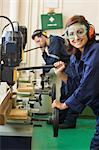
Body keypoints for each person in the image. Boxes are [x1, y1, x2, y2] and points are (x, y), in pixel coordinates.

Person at [52, 15, 99, 149]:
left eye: (80, 32)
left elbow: (87, 88)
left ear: (89, 32)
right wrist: (61, 74)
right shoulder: (76, 57)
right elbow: (77, 85)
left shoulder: (96, 51)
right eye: (71, 34)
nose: (76, 38)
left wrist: (64, 105)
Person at [32, 29, 79, 128]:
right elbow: (50, 62)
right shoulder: (50, 46)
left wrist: (44, 71)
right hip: (66, 68)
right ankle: (60, 119)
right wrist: (43, 51)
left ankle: (70, 121)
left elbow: (52, 62)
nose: (38, 44)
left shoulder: (55, 41)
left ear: (43, 36)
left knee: (70, 93)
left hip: (73, 66)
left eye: (38, 41)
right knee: (64, 93)